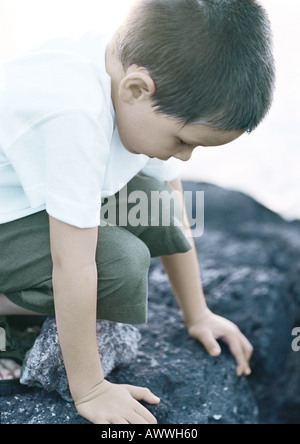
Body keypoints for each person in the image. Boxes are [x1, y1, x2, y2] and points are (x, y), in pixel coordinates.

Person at [0, 0, 275, 424]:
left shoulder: (135, 74)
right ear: (136, 89)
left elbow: (172, 210)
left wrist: (197, 313)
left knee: (155, 206)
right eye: (182, 141)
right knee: (120, 263)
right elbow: (72, 264)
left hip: (25, 198)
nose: (184, 158)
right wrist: (89, 390)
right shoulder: (74, 114)